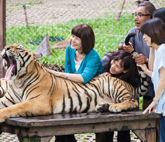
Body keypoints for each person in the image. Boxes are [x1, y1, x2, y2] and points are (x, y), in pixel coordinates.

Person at [46, 24, 103, 142]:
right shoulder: (70, 50)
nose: (72, 40)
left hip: (92, 94)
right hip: (75, 91)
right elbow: (69, 73)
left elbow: (84, 78)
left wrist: (58, 74)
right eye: (72, 36)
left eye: (77, 38)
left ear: (86, 40)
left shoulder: (93, 56)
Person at [96, 49, 140, 142]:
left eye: (117, 66)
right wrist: (100, 77)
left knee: (124, 127)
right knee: (106, 128)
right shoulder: (105, 62)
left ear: (125, 71)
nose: (113, 66)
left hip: (123, 103)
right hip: (105, 102)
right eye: (114, 62)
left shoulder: (131, 77)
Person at [137, 18, 165, 142]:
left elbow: (163, 79)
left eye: (146, 34)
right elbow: (155, 74)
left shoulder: (163, 50)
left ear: (154, 33)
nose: (144, 37)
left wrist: (155, 100)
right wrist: (151, 48)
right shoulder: (159, 50)